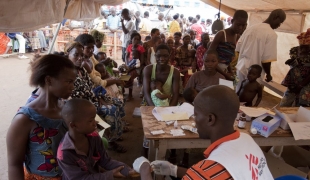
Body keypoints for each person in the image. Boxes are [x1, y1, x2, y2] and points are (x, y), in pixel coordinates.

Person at [134, 85, 274, 180]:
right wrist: (174, 170)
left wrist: (145, 170)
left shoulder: (203, 173)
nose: (194, 120)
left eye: (196, 114)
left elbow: (203, 175)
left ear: (210, 119)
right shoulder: (247, 139)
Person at [6, 55, 76, 179]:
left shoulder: (67, 109)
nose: (73, 87)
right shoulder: (24, 119)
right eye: (68, 82)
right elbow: (14, 165)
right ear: (48, 80)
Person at [64, 41, 127, 153]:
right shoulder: (67, 74)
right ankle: (110, 141)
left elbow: (90, 87)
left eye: (81, 56)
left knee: (117, 102)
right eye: (76, 55)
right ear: (67, 55)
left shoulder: (82, 70)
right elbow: (75, 97)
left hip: (92, 99)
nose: (80, 58)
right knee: (111, 110)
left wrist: (100, 99)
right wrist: (97, 102)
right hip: (81, 107)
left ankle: (115, 134)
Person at [57, 99, 135, 179]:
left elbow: (106, 161)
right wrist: (109, 175)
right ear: (74, 125)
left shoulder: (94, 137)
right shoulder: (64, 154)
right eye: (91, 121)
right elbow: (80, 178)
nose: (96, 123)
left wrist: (126, 170)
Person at [236, 9, 286, 91]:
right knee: (250, 98)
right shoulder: (271, 34)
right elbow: (266, 60)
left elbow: (238, 48)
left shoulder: (250, 28)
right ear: (276, 17)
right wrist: (269, 75)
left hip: (241, 67)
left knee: (238, 92)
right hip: (255, 73)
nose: (279, 25)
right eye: (280, 22)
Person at [209, 10, 248, 80]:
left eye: (243, 25)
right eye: (238, 24)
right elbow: (209, 57)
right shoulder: (221, 34)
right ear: (232, 21)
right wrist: (226, 75)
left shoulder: (237, 36)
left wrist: (230, 71)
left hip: (223, 71)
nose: (240, 28)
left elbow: (227, 59)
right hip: (212, 71)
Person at [280, 29, 310, 107]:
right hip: (293, 80)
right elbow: (296, 64)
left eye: (306, 47)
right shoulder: (295, 50)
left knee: (303, 105)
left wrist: (301, 85)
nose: (303, 50)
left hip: (307, 82)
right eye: (301, 47)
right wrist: (291, 62)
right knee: (284, 104)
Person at [125, 32, 145, 100]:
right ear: (131, 39)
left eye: (138, 39)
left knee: (130, 76)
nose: (136, 41)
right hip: (129, 65)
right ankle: (122, 91)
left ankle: (130, 95)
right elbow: (126, 56)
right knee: (122, 74)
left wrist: (133, 67)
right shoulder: (129, 46)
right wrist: (127, 65)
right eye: (135, 39)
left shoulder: (141, 48)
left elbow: (142, 61)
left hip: (138, 66)